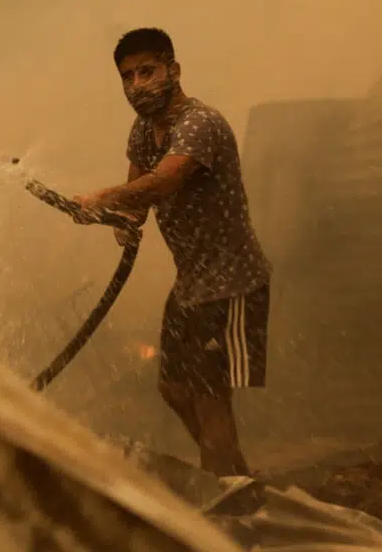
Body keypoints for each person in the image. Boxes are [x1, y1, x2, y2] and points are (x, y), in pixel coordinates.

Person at [73, 27, 272, 477]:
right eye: (127, 77)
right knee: (173, 388)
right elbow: (138, 203)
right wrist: (116, 220)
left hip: (231, 284)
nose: (137, 84)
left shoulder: (200, 124)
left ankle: (227, 504)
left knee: (210, 398)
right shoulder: (144, 131)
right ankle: (235, 479)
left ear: (174, 70)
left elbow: (163, 182)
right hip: (191, 286)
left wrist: (103, 197)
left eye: (147, 71)